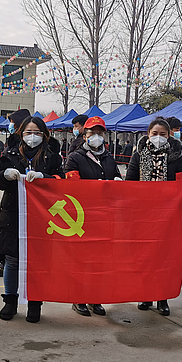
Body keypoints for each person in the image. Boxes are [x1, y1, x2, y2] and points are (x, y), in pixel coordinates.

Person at [0, 116, 64, 323]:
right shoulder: (11, 152)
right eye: (28, 132)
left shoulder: (52, 155)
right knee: (12, 259)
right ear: (21, 134)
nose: (32, 137)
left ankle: (35, 303)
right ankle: (10, 301)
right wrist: (5, 175)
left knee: (38, 261)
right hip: (13, 211)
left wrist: (45, 178)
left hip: (43, 215)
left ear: (44, 135)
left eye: (37, 133)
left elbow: (61, 180)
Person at [125, 118, 182, 316]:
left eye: (163, 134)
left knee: (164, 257)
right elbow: (130, 182)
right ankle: (145, 295)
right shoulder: (138, 155)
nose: (158, 137)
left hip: (167, 215)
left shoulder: (177, 157)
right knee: (144, 256)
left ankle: (162, 297)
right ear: (148, 134)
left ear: (169, 135)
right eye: (155, 134)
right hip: (143, 214)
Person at [64, 115, 119, 317]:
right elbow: (73, 186)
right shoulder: (75, 158)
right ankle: (78, 298)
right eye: (92, 133)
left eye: (99, 133)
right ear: (85, 135)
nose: (96, 136)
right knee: (81, 259)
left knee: (100, 260)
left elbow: (117, 181)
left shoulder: (109, 159)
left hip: (104, 217)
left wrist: (117, 182)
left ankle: (96, 298)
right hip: (82, 217)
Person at [0, 109, 32, 277]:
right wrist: (5, 175)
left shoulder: (46, 152)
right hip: (12, 202)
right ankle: (4, 265)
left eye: (13, 122)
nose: (10, 126)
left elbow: (58, 177)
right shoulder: (11, 147)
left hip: (36, 206)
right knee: (6, 242)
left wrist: (44, 177)